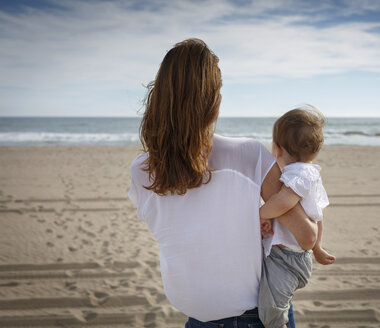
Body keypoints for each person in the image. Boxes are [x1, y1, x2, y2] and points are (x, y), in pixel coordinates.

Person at [128, 38, 318, 328]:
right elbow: (304, 236)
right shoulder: (249, 155)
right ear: (212, 100)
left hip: (196, 318)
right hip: (257, 318)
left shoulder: (142, 171)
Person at [258, 107, 336, 328]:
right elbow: (317, 216)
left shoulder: (297, 174)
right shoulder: (310, 174)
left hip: (286, 259)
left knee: (271, 306)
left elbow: (282, 202)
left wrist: (259, 214)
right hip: (295, 257)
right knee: (274, 299)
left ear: (277, 148)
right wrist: (317, 248)